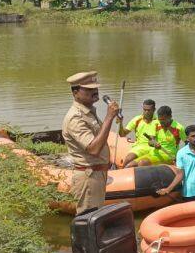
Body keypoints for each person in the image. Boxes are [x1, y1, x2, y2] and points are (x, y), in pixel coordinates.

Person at [62, 71, 119, 215]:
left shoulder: (89, 113)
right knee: (88, 219)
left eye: (95, 88)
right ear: (75, 93)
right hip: (88, 176)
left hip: (97, 174)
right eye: (88, 89)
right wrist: (109, 118)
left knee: (96, 219)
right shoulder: (76, 117)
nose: (94, 91)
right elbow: (93, 149)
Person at [157, 125, 195, 201]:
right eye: (193, 136)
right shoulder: (181, 153)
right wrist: (168, 189)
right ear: (187, 138)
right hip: (188, 193)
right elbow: (180, 174)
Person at [118, 99, 158, 168]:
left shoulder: (158, 121)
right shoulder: (137, 119)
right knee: (128, 159)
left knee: (142, 163)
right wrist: (120, 122)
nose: (146, 112)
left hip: (153, 148)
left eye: (149, 110)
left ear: (154, 109)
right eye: (144, 110)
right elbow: (122, 134)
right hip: (139, 147)